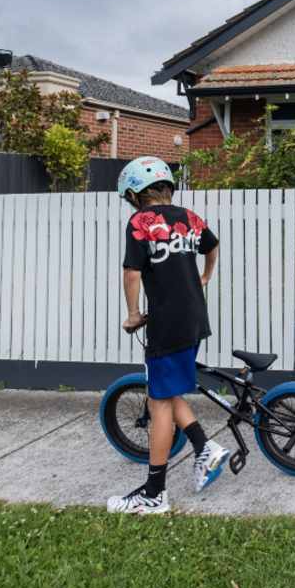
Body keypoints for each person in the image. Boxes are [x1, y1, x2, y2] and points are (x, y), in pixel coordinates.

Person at [107, 157, 229, 514]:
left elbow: (132, 273)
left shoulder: (141, 221)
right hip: (194, 319)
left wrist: (132, 314)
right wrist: (204, 278)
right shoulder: (189, 217)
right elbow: (212, 245)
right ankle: (204, 447)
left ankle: (154, 494)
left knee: (158, 402)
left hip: (167, 321)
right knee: (167, 390)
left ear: (135, 193)